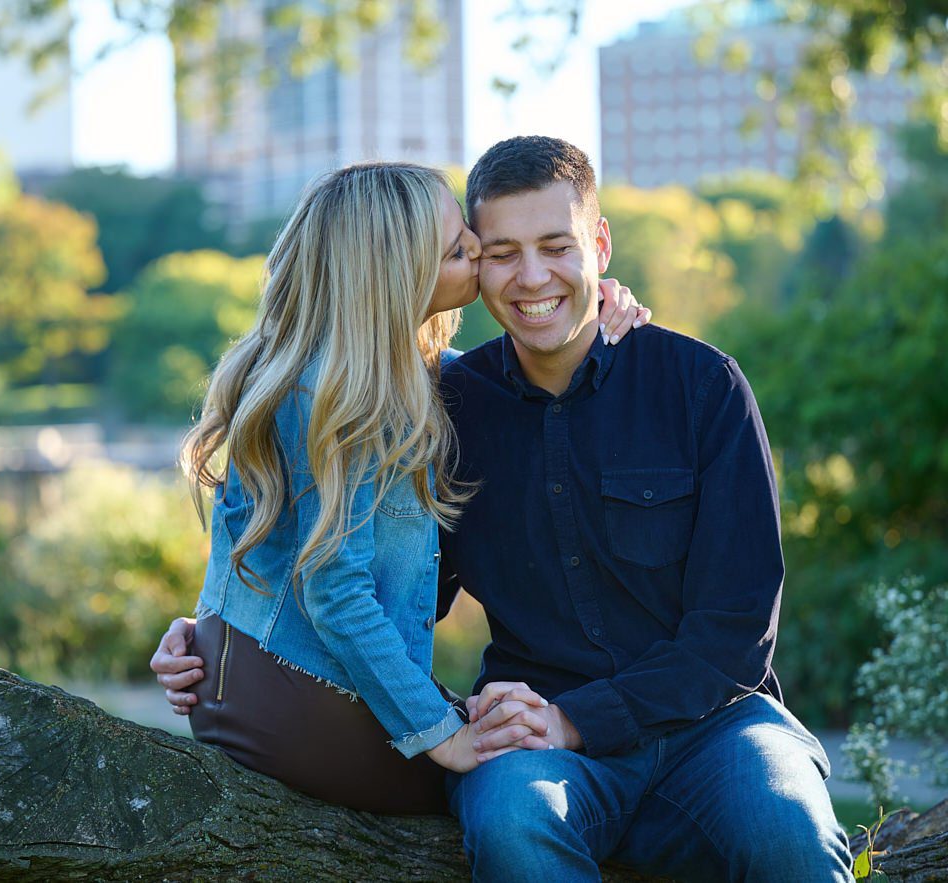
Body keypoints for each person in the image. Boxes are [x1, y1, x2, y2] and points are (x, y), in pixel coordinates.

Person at [154, 137, 854, 881]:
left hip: (717, 725)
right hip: (527, 726)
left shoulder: (700, 385)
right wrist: (219, 632)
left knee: (790, 831)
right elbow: (373, 568)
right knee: (515, 825)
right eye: (496, 251)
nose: (532, 276)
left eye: (557, 247)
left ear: (601, 244)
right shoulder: (443, 409)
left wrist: (578, 720)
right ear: (472, 266)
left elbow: (738, 631)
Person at [167, 160, 649, 817]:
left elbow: (264, 546)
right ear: (398, 277)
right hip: (304, 703)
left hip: (255, 680)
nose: (479, 251)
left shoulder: (370, 375)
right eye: (458, 249)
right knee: (531, 771)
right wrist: (442, 735)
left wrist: (591, 296)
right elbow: (335, 593)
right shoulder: (340, 394)